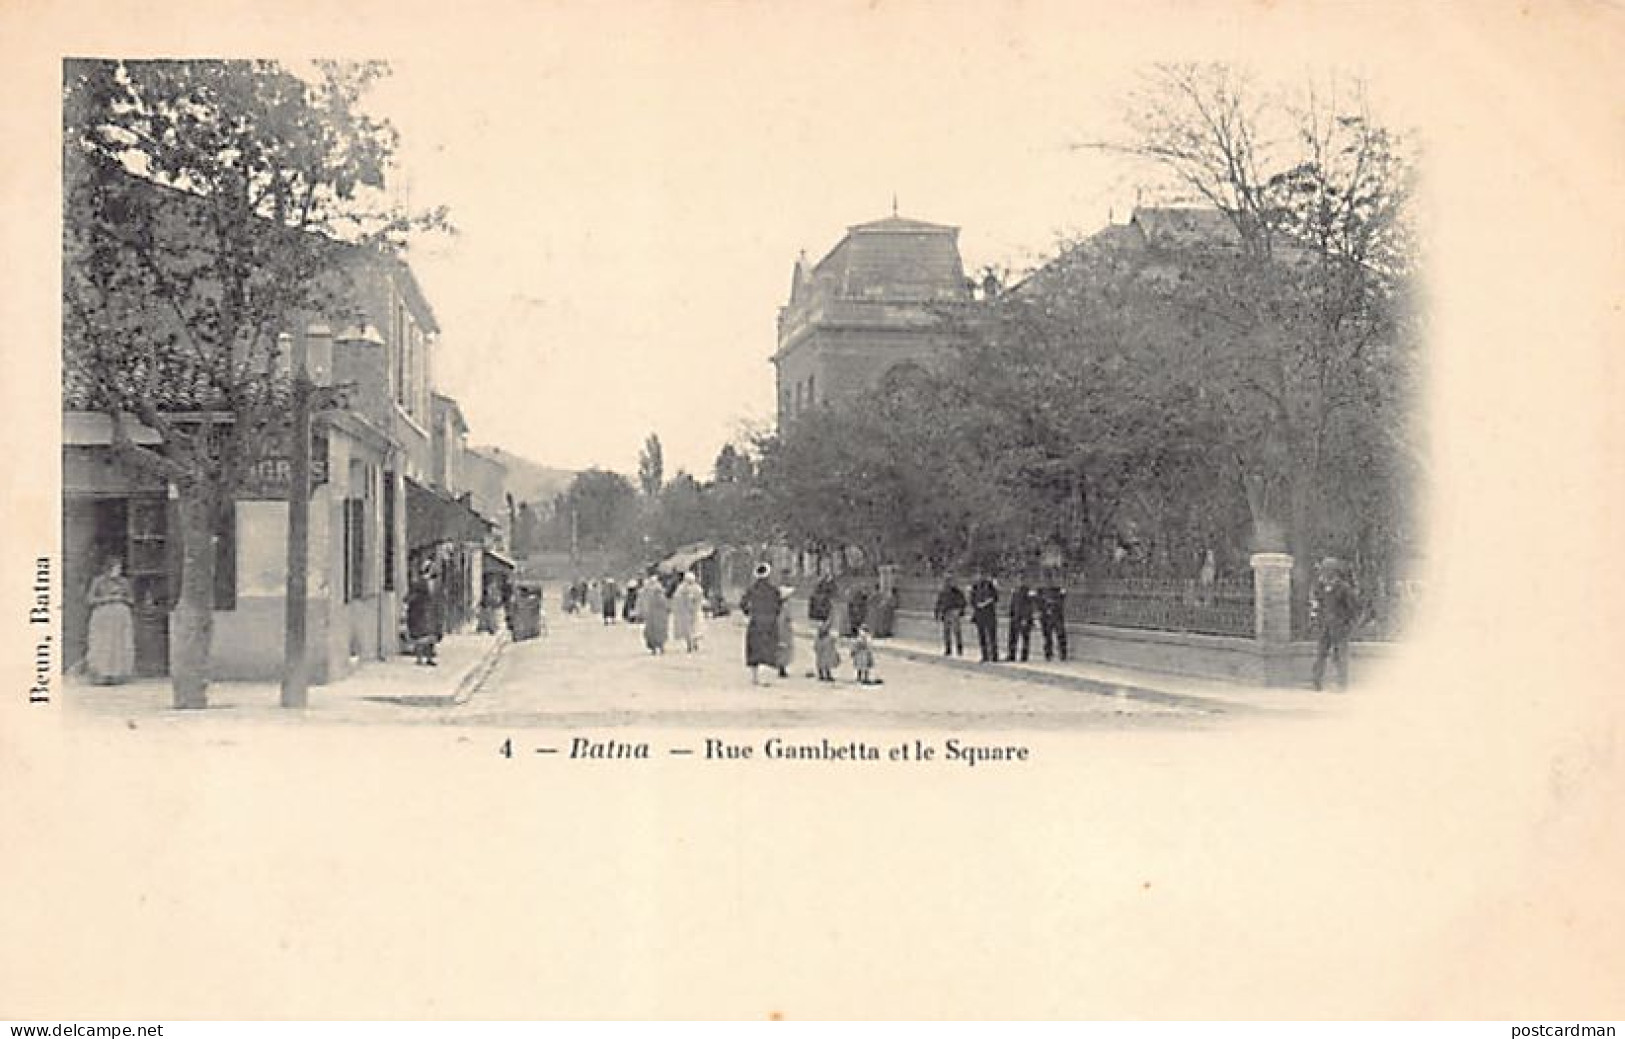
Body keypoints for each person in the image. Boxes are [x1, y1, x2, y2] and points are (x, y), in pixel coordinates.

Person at [1310, 557, 1362, 690]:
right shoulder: (1320, 587)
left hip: (1340, 628)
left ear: (1334, 572)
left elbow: (1354, 608)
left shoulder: (1344, 588)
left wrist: (1348, 624)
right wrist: (1317, 619)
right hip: (1324, 627)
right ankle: (1317, 682)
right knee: (1321, 654)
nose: (1324, 575)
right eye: (1323, 571)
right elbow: (1317, 604)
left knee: (1340, 655)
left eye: (1327, 571)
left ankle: (1342, 684)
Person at [85, 556, 135, 684]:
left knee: (119, 644)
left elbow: (131, 599)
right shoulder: (98, 582)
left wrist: (122, 599)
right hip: (103, 618)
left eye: (119, 568)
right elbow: (90, 599)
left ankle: (118, 674)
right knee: (103, 644)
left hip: (120, 618)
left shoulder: (124, 582)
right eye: (115, 568)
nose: (117, 571)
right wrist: (107, 599)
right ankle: (102, 674)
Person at [740, 563, 784, 685]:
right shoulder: (774, 590)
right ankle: (767, 677)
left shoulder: (752, 589)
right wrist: (774, 614)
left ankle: (755, 677)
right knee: (769, 648)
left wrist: (748, 612)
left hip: (756, 622)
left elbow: (743, 603)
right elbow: (779, 605)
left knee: (754, 649)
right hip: (770, 622)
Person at [405, 577, 443, 666]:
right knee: (420, 637)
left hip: (431, 613)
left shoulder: (437, 585)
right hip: (420, 613)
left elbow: (439, 599)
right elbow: (409, 597)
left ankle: (429, 658)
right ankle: (420, 658)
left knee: (431, 636)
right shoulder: (418, 583)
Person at [933, 574, 967, 656]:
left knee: (956, 631)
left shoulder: (957, 591)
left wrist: (960, 610)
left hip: (954, 611)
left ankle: (959, 649)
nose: (948, 583)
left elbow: (963, 602)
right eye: (946, 581)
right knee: (947, 632)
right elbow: (939, 603)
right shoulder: (943, 592)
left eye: (949, 581)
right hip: (946, 612)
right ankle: (948, 649)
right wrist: (937, 613)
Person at [671, 571, 705, 652]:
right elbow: (676, 599)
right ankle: (689, 644)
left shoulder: (697, 588)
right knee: (688, 629)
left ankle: (694, 643)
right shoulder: (681, 589)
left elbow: (700, 598)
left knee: (695, 628)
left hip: (695, 612)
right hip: (686, 613)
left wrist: (695, 602)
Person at [969, 572, 1000, 662]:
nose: (978, 577)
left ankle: (994, 656)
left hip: (989, 613)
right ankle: (985, 655)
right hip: (979, 614)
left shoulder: (990, 585)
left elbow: (995, 598)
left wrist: (984, 603)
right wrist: (976, 604)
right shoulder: (975, 587)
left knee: (992, 635)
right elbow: (972, 600)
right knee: (982, 636)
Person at [637, 575, 670, 655]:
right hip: (657, 618)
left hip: (653, 618)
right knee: (658, 632)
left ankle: (656, 647)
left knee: (653, 633)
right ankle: (659, 647)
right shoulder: (658, 595)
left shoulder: (647, 594)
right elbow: (666, 606)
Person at [1038, 580, 1068, 662]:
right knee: (1048, 636)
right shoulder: (1041, 591)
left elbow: (1060, 602)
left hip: (1056, 616)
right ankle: (1049, 653)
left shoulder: (1058, 591)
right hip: (1047, 617)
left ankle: (1062, 653)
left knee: (1060, 634)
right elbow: (1040, 604)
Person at [1007, 579, 1036, 663]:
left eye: (1021, 580)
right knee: (1013, 637)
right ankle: (1012, 655)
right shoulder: (1015, 591)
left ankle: (1024, 656)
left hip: (1023, 618)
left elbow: (1029, 606)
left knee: (1025, 638)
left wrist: (1026, 618)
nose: (1018, 582)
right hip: (1015, 618)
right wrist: (1011, 614)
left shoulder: (1027, 592)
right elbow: (1013, 604)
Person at [775, 590, 797, 678]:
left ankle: (781, 667)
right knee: (785, 648)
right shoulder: (785, 608)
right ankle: (782, 668)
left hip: (780, 628)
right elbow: (787, 618)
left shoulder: (778, 607)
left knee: (781, 648)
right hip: (784, 629)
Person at [813, 618, 840, 682]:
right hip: (821, 653)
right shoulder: (819, 637)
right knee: (821, 664)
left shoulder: (828, 637)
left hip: (826, 653)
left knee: (826, 664)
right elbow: (816, 645)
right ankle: (821, 675)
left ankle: (826, 675)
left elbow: (834, 641)